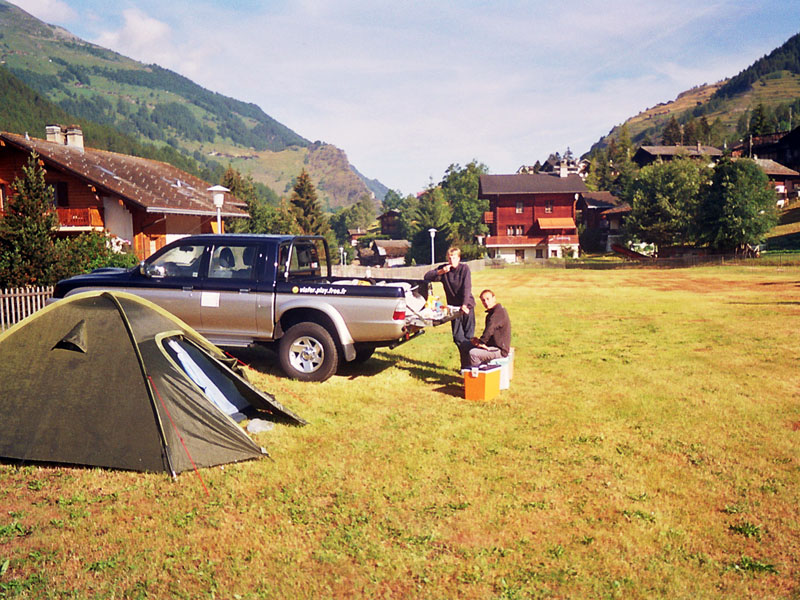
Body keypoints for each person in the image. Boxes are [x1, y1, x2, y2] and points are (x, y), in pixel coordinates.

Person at [424, 246, 475, 369]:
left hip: (466, 306)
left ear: (459, 258)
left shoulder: (464, 269)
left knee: (468, 338)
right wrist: (440, 272)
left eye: (454, 257)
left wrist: (464, 304)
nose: (452, 260)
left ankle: (467, 367)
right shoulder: (444, 270)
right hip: (453, 309)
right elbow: (426, 277)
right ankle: (467, 365)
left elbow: (467, 287)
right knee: (458, 338)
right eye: (449, 257)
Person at [469, 289, 511, 367]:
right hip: (494, 346)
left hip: (500, 350)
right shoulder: (494, 313)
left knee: (473, 354)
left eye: (488, 299)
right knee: (469, 346)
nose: (486, 302)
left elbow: (490, 329)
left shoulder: (498, 313)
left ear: (494, 298)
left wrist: (481, 342)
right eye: (483, 300)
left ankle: (478, 375)